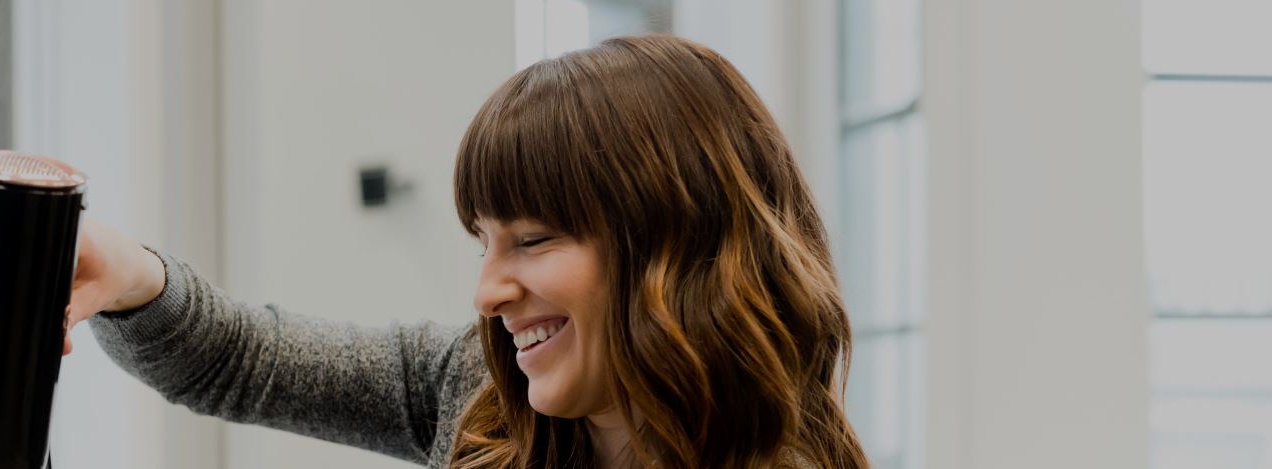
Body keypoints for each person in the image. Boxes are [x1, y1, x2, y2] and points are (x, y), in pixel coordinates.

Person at [61, 35, 868, 469]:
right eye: (485, 242)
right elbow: (240, 360)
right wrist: (127, 274)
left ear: (678, 236)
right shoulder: (477, 392)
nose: (487, 291)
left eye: (534, 239)